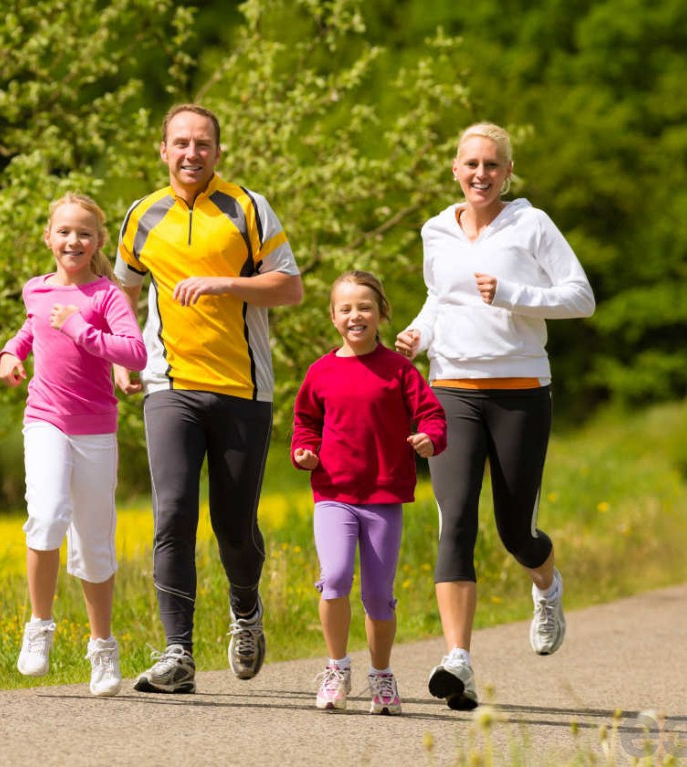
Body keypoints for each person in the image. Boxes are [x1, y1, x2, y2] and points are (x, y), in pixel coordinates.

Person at [395, 122, 595, 711]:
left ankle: (546, 584)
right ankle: (457, 658)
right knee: (454, 520)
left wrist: (514, 294)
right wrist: (419, 332)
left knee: (515, 530)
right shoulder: (436, 229)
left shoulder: (532, 225)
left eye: (492, 165)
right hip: (451, 388)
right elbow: (441, 297)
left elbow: (580, 296)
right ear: (455, 168)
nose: (480, 174)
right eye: (471, 164)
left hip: (520, 391)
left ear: (508, 173)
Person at [112, 104, 303, 694]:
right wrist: (124, 355)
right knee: (171, 515)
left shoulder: (247, 207)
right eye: (181, 143)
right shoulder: (142, 215)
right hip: (171, 385)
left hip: (244, 388)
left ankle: (245, 610)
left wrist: (225, 284)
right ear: (162, 150)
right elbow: (122, 287)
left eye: (203, 144)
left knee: (234, 526)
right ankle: (178, 653)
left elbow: (290, 287)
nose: (191, 153)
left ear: (217, 152)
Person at [0, 193, 147, 697]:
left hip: (96, 427)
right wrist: (10, 353)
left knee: (93, 542)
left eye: (84, 233)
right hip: (45, 418)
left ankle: (102, 646)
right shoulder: (35, 291)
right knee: (46, 514)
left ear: (98, 242)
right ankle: (39, 626)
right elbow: (32, 328)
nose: (73, 241)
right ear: (48, 237)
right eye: (63, 231)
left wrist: (81, 329)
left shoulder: (106, 297)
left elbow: (134, 351)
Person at [291, 271, 446, 715]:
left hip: (383, 496)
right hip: (334, 493)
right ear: (334, 317)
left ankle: (381, 676)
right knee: (335, 577)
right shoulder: (320, 372)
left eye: (365, 307)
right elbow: (306, 424)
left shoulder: (399, 370)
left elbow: (431, 414)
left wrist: (430, 438)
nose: (355, 315)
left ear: (381, 314)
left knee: (378, 595)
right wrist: (304, 452)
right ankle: (337, 668)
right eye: (346, 308)